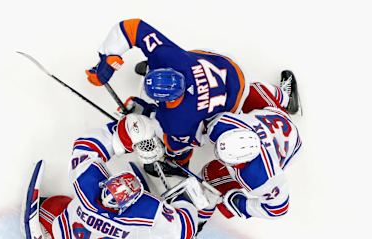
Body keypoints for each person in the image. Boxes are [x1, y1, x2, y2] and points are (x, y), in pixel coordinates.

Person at [7, 114, 209, 239]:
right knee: (146, 232)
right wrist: (188, 201)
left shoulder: (89, 185)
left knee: (53, 205)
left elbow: (85, 145)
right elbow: (183, 233)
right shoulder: (143, 212)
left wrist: (124, 134)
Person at [86, 19, 300, 176]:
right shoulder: (173, 59)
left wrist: (147, 115)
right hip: (229, 69)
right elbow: (132, 27)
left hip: (229, 104)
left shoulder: (178, 121)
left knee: (188, 141)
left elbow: (180, 144)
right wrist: (110, 56)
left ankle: (179, 169)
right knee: (249, 89)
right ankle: (280, 97)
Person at [200, 96, 301, 220]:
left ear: (241, 162)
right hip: (278, 116)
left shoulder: (261, 177)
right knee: (249, 92)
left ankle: (199, 221)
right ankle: (286, 99)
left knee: (209, 178)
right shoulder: (222, 125)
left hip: (292, 147)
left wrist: (241, 205)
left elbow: (278, 209)